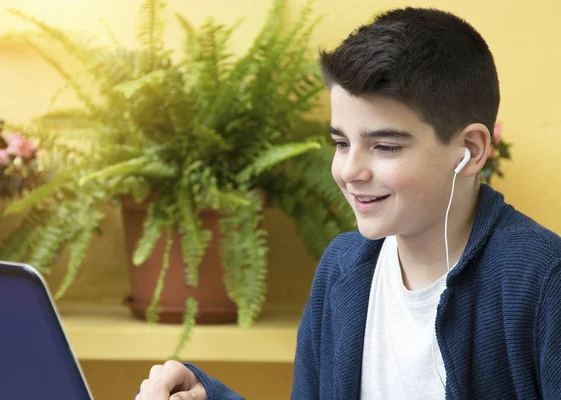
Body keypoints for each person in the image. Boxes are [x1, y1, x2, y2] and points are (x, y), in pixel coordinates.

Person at [135, 7, 561, 400]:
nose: (349, 170)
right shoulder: (343, 267)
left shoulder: (543, 280)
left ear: (470, 149)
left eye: (386, 147)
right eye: (341, 142)